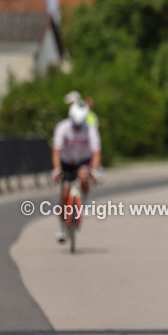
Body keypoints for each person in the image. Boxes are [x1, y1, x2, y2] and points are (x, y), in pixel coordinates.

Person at [51, 102, 101, 243]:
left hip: (83, 161)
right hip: (66, 162)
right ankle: (62, 228)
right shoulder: (62, 127)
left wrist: (95, 171)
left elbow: (96, 153)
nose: (77, 128)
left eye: (80, 125)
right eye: (75, 125)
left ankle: (85, 201)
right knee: (64, 195)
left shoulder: (90, 130)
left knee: (84, 176)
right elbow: (56, 151)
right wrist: (56, 169)